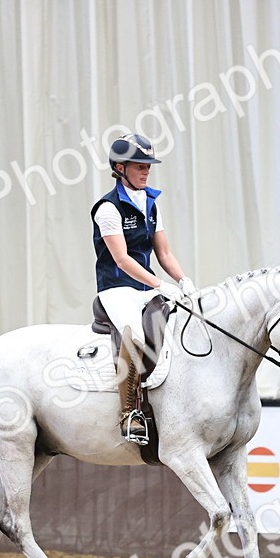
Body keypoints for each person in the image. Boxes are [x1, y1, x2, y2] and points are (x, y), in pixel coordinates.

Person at [92, 133, 198, 444]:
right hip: (117, 288)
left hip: (147, 286)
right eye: (139, 166)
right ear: (120, 168)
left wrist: (183, 281)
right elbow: (122, 260)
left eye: (148, 166)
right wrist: (161, 284)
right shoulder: (107, 209)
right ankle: (128, 414)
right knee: (134, 332)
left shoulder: (151, 202)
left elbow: (163, 252)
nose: (145, 171)